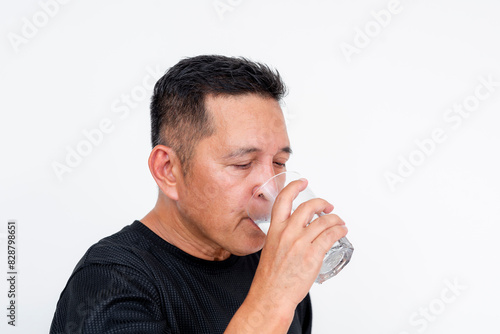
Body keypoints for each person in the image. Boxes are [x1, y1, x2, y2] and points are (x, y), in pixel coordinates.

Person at [50, 55, 348, 334]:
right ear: (168, 170)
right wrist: (275, 299)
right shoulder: (110, 281)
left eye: (279, 163)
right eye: (242, 163)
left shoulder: (268, 264)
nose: (269, 187)